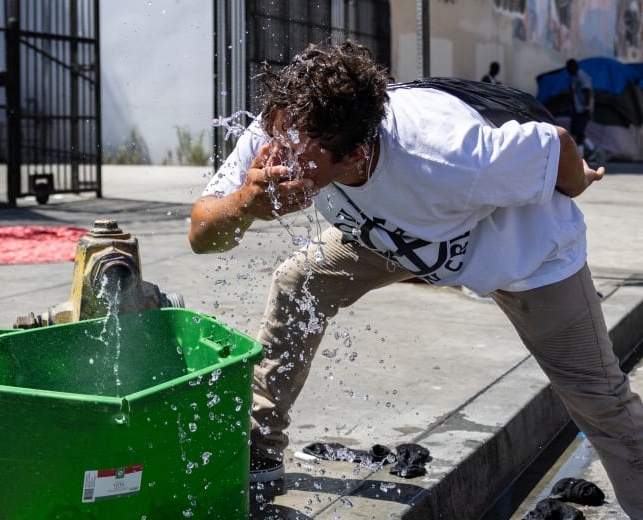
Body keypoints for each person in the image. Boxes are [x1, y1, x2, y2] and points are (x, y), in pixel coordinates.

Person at [188, 40, 643, 518]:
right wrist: (245, 203)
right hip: (391, 235)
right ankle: (259, 446)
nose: (279, 156)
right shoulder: (285, 129)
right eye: (278, 136)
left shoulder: (448, 154)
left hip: (526, 256)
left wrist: (577, 182)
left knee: (602, 404)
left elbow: (556, 145)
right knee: (300, 281)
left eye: (299, 152)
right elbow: (201, 234)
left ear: (356, 155)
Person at [565, 58, 596, 160]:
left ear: (574, 66)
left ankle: (582, 155)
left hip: (583, 109)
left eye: (569, 68)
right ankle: (591, 149)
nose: (568, 70)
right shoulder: (573, 77)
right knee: (577, 131)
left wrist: (587, 107)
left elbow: (587, 91)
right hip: (577, 109)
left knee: (579, 132)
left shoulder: (582, 76)